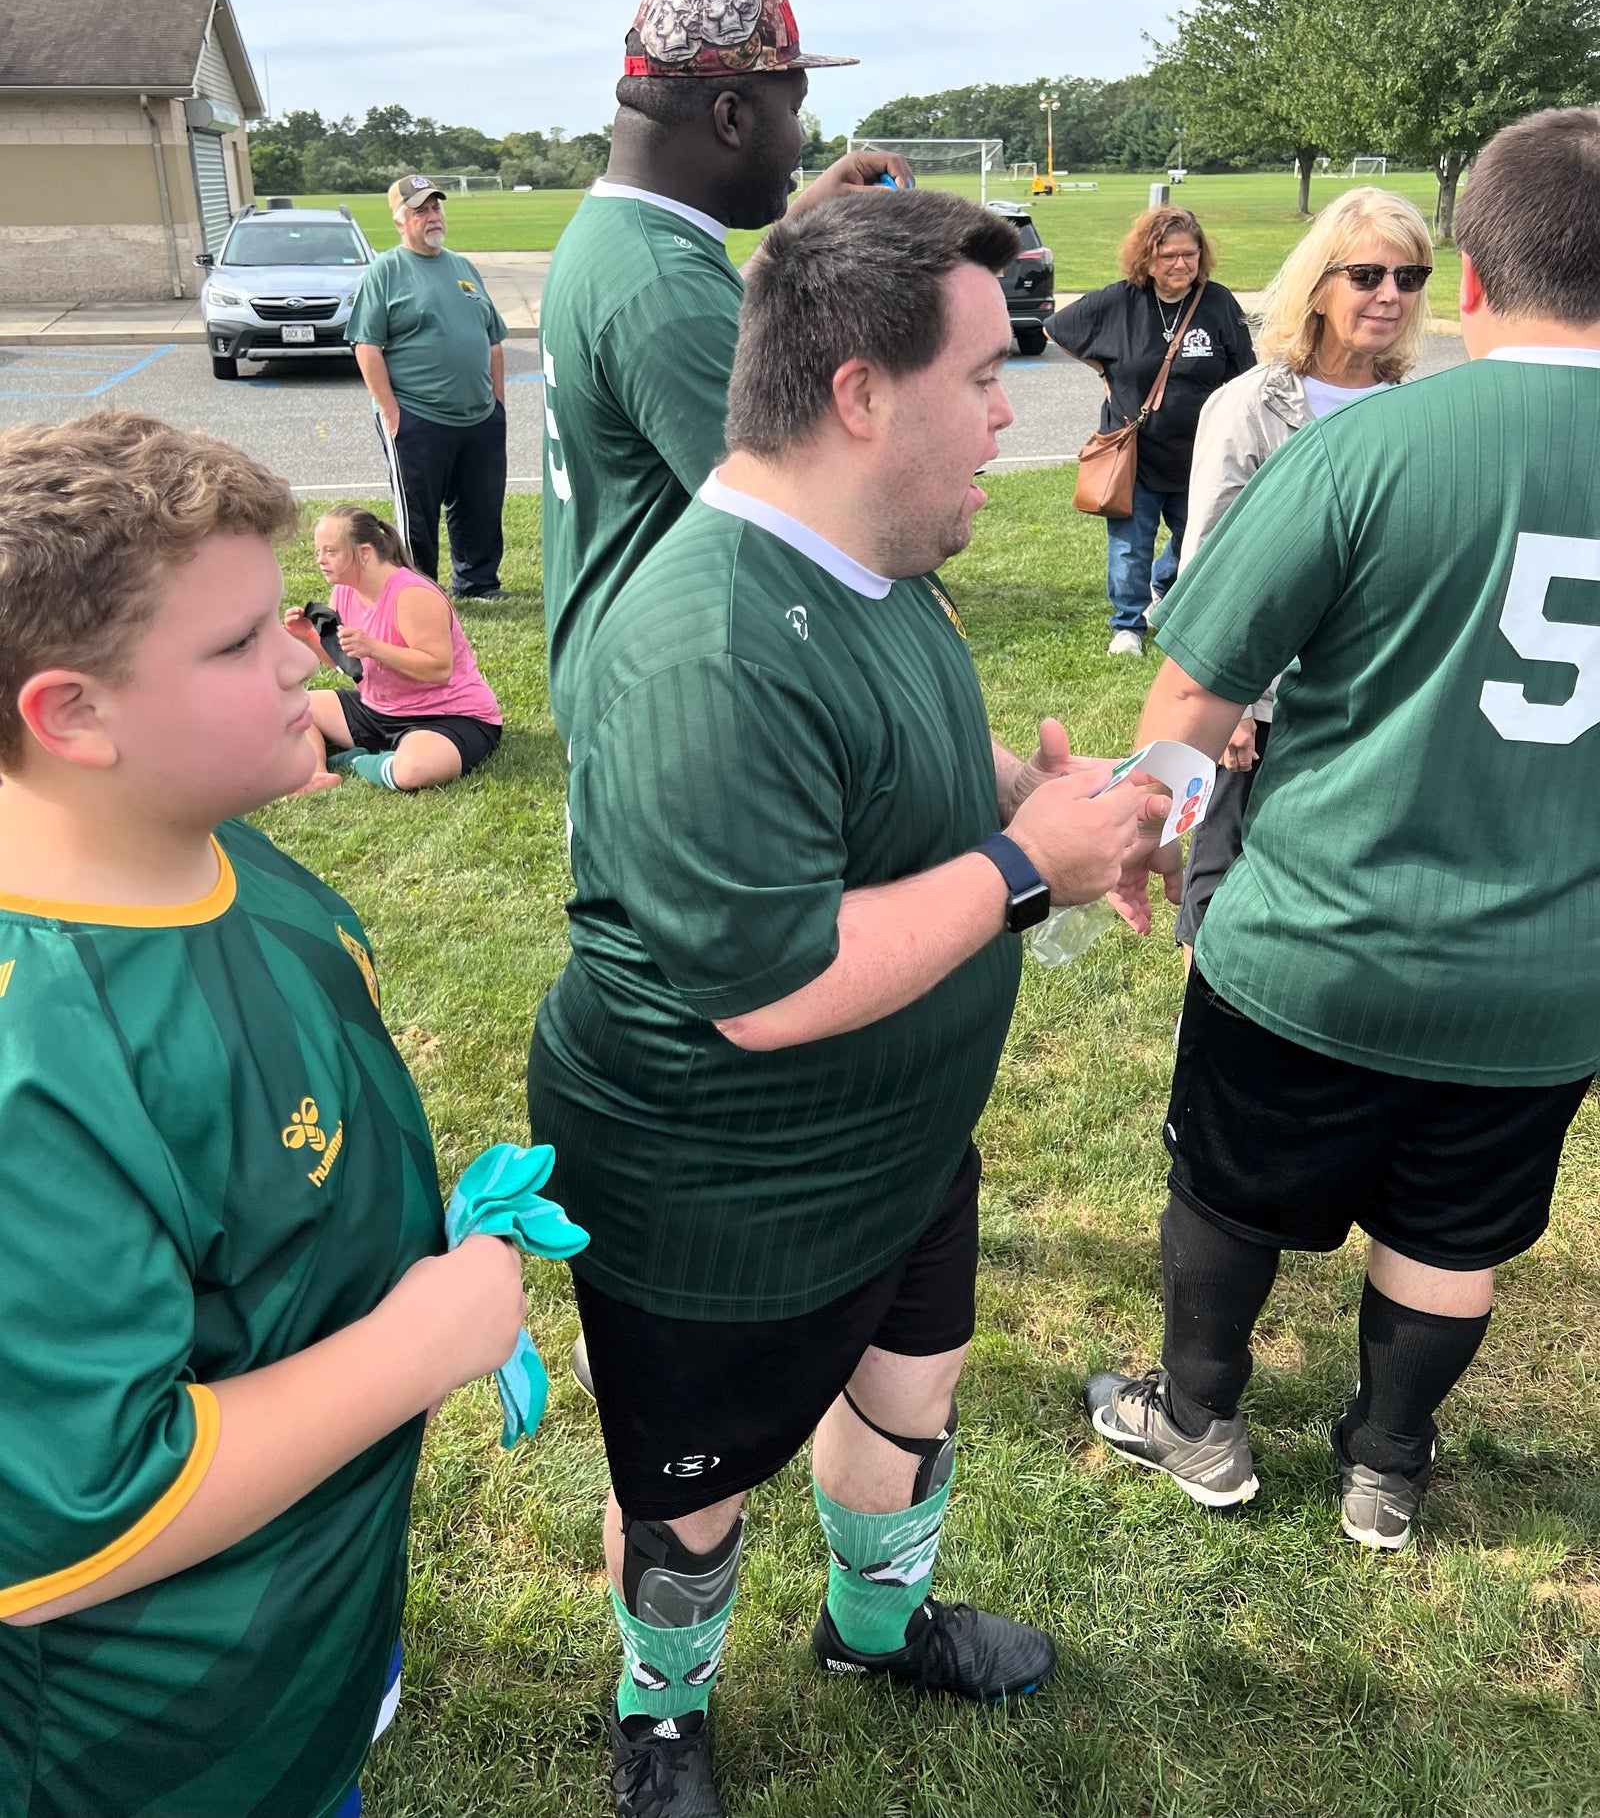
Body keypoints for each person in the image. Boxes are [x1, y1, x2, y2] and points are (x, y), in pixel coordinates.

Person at [528, 189, 1172, 1818]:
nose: (1011, 408)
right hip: (718, 1196)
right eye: (983, 372)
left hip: (897, 1144)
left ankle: (872, 1630)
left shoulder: (877, 561)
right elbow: (772, 979)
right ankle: (660, 1710)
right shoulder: (709, 634)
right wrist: (1030, 865)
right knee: (686, 1500)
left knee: (913, 1393)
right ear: (861, 394)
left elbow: (891, 781)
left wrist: (1040, 789)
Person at [1086, 107, 1600, 1555]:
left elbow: (1195, 682)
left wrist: (1146, 836)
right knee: (1453, 1227)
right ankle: (1388, 1462)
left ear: (1478, 278)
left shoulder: (1370, 444)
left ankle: (1200, 1415)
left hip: (1320, 931)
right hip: (1549, 968)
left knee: (1229, 1184)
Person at [0, 410, 525, 1817]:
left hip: (305, 1637)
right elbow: (77, 1520)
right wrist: (425, 1338)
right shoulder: (32, 1059)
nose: (307, 652)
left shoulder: (226, 852)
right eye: (238, 644)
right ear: (74, 714)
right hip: (153, 1747)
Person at [537, 0, 913, 740]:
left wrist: (796, 224)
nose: (801, 141)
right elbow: (808, 531)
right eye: (794, 109)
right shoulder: (661, 290)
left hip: (631, 657)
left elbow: (699, 320)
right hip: (671, 698)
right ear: (732, 118)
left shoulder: (623, 236)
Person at [1173, 188, 1434, 970]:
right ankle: (1207, 1029)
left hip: (1370, 703)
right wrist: (1235, 708)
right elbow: (1209, 561)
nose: (1390, 296)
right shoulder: (1249, 406)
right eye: (1366, 275)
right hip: (1266, 698)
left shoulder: (1412, 412)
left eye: (1410, 278)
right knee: (1219, 891)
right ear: (1319, 283)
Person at [1044, 205, 1254, 657]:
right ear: (1147, 258)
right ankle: (1127, 627)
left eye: (1190, 255)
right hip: (1133, 455)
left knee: (1196, 538)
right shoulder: (1120, 301)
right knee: (1129, 547)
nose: (1180, 265)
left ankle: (1164, 587)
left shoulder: (1217, 303)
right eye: (1168, 256)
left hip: (1200, 455)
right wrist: (1103, 369)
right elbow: (1057, 327)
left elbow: (1243, 374)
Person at [348, 175, 510, 601]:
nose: (432, 217)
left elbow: (492, 340)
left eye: (436, 208)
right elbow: (367, 346)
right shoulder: (385, 272)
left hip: (479, 416)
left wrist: (497, 406)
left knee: (481, 504)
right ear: (400, 222)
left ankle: (478, 583)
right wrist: (390, 411)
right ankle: (419, 591)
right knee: (418, 515)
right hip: (418, 415)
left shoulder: (462, 266)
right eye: (420, 211)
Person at [285, 503, 503, 793]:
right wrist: (310, 638)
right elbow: (347, 662)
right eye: (318, 552)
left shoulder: (412, 594)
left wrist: (373, 647)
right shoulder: (344, 590)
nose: (321, 560)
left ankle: (358, 761)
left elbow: (439, 668)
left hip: (449, 716)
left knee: (413, 770)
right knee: (293, 707)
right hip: (379, 711)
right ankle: (315, 774)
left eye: (331, 551)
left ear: (364, 552)